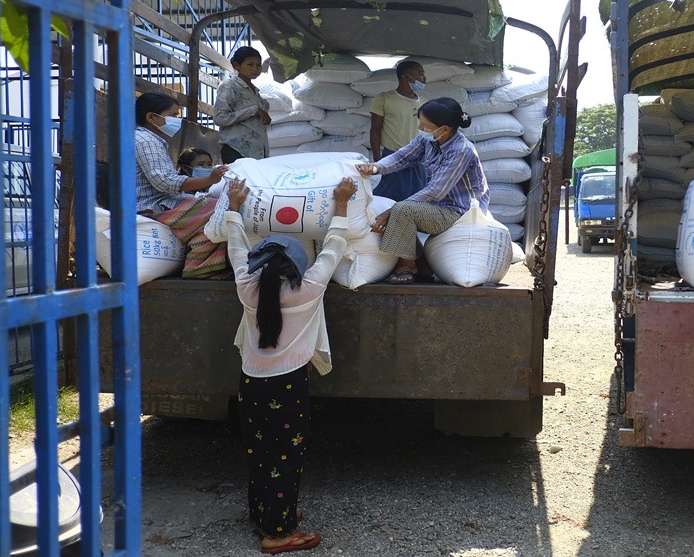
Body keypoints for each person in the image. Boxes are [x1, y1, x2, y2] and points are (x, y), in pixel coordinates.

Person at [223, 176, 356, 554]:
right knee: (286, 455)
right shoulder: (309, 289)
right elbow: (333, 246)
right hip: (287, 386)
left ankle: (263, 512)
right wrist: (342, 203)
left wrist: (234, 206)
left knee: (260, 449)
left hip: (250, 382)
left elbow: (235, 248)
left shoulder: (247, 287)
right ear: (297, 266)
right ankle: (277, 532)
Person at [355, 97, 489, 284]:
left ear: (444, 129)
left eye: (424, 125)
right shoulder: (430, 139)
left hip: (459, 212)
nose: (419, 128)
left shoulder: (461, 150)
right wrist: (376, 167)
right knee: (398, 209)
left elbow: (435, 191)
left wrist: (391, 211)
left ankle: (407, 264)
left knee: (402, 209)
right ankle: (422, 263)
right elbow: (403, 157)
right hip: (439, 207)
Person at [135, 92, 231, 279]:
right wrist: (208, 180)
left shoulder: (150, 139)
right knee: (221, 210)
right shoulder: (146, 141)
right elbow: (163, 182)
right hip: (152, 205)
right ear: (151, 117)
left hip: (161, 201)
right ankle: (198, 267)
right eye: (172, 116)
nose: (176, 121)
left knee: (216, 206)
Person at [369, 60, 428, 200]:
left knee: (416, 202)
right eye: (420, 73)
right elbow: (375, 130)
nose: (424, 78)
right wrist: (378, 161)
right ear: (406, 76)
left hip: (417, 159)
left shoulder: (424, 102)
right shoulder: (384, 99)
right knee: (387, 200)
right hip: (392, 157)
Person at [215, 46, 272, 163]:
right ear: (237, 66)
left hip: (257, 152)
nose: (255, 69)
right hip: (236, 150)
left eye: (258, 65)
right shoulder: (230, 86)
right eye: (250, 65)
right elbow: (220, 118)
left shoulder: (254, 92)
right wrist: (254, 111)